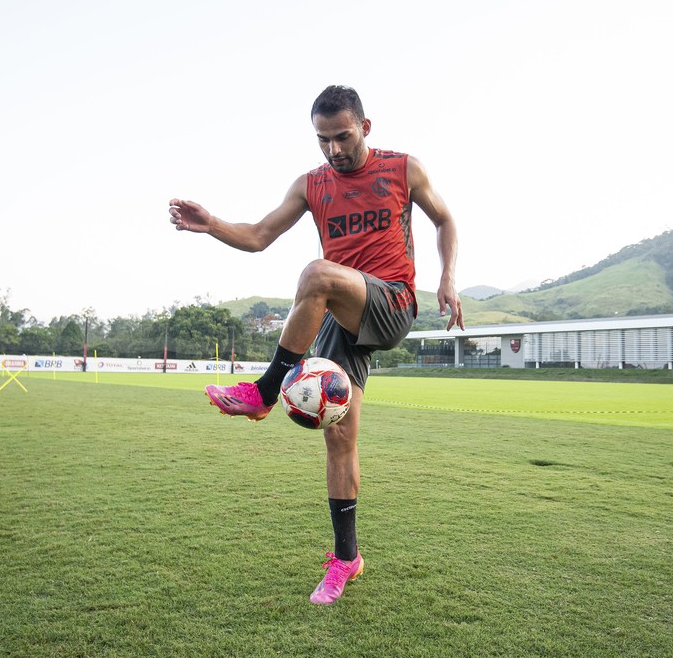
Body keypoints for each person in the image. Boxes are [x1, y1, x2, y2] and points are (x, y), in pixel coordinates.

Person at [168, 85, 464, 605]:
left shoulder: (404, 169)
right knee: (339, 436)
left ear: (365, 127)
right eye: (323, 139)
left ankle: (264, 391)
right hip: (339, 314)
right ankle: (347, 559)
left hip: (391, 301)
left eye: (342, 137)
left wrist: (447, 279)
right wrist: (211, 224)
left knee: (316, 274)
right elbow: (259, 235)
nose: (333, 149)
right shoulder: (311, 185)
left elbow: (445, 219)